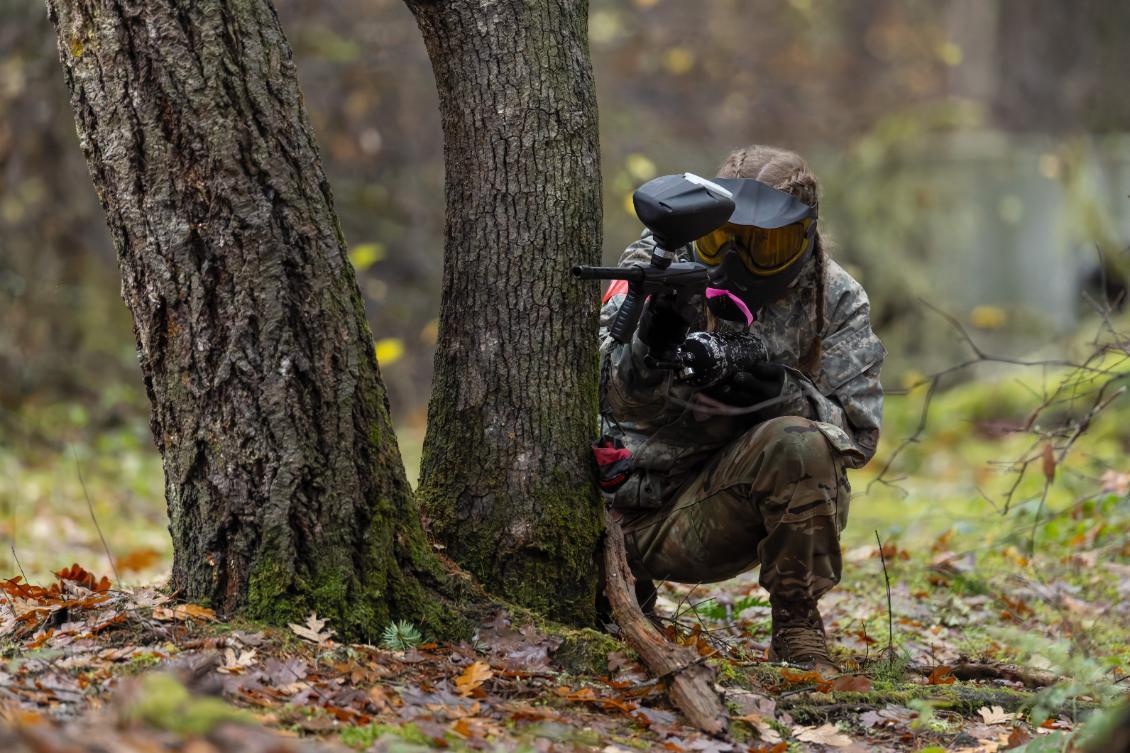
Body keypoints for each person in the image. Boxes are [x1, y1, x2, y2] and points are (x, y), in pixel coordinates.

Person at [598, 144, 885, 673]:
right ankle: (625, 596)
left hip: (715, 513)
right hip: (611, 518)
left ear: (804, 237)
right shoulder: (657, 264)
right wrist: (650, 344)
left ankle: (797, 627)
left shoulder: (835, 296)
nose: (736, 261)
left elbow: (860, 435)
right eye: (720, 238)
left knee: (801, 442)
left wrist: (782, 394)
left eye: (764, 246)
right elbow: (606, 397)